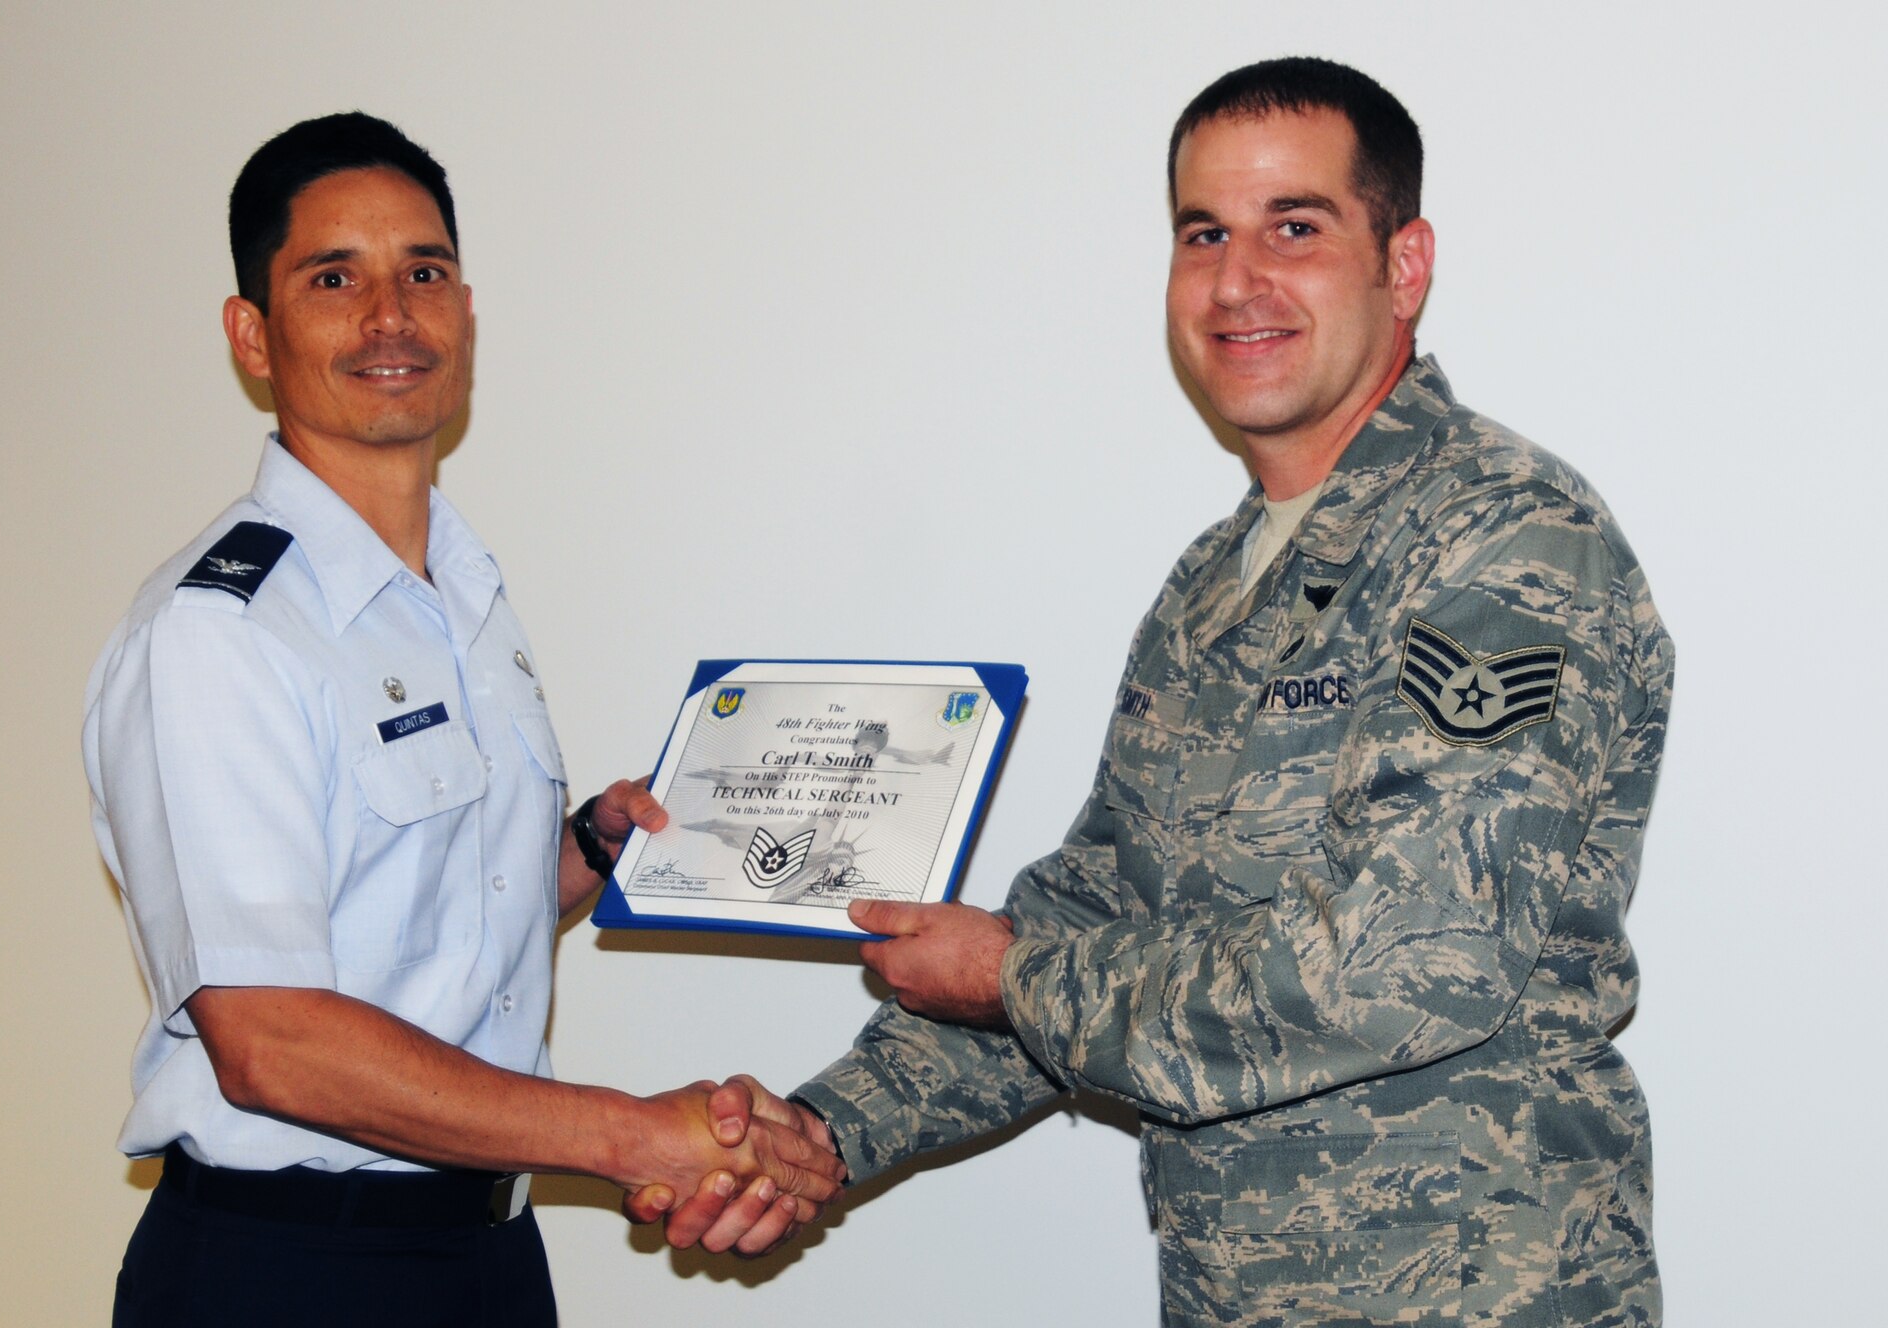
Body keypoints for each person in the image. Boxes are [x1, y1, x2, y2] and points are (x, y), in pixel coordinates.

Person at [690, 57, 1672, 1325]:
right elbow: (1096, 910)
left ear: (1403, 265)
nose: (1235, 279)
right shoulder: (1213, 586)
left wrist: (1012, 976)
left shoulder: (1503, 541)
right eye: (1202, 233)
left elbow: (1407, 961)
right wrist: (823, 1131)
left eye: (1294, 228)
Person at [82, 112, 840, 1327]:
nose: (391, 316)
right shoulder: (217, 632)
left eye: (423, 273)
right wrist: (630, 1133)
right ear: (253, 335)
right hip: (288, 1272)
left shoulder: (462, 592)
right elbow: (271, 1039)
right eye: (334, 279)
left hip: (485, 1257)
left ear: (465, 315)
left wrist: (579, 853)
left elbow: (410, 914)